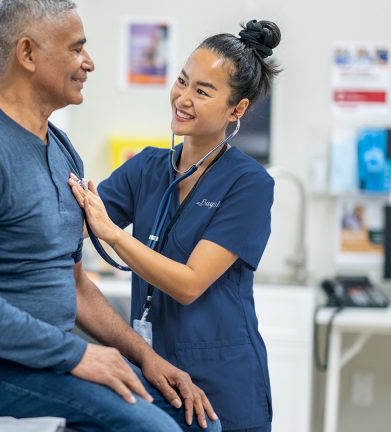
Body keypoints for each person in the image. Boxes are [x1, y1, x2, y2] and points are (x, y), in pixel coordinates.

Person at [0, 1, 221, 431]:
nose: (88, 63)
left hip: (37, 357)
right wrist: (77, 354)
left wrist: (146, 358)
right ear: (29, 54)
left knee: (197, 422)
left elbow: (75, 285)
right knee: (157, 430)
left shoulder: (61, 149)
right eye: (76, 49)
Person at [68, 19, 282, 432]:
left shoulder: (250, 184)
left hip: (224, 382)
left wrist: (112, 233)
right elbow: (76, 220)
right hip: (153, 373)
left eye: (202, 91)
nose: (183, 98)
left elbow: (188, 284)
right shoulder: (147, 167)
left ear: (237, 110)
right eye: (182, 81)